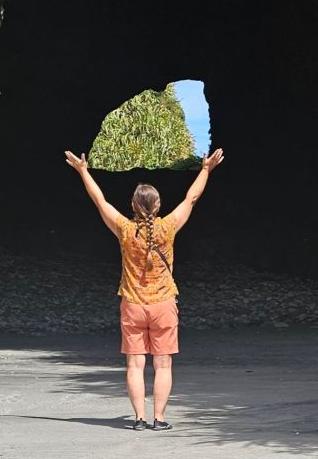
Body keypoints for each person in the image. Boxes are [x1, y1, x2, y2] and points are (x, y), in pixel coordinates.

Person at [64, 147, 225, 430]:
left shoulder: (125, 230)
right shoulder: (168, 228)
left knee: (135, 365)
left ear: (133, 205)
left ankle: (139, 419)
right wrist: (205, 170)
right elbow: (191, 198)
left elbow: (99, 200)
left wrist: (83, 171)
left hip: (133, 305)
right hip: (163, 305)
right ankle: (159, 418)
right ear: (158, 205)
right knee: (163, 365)